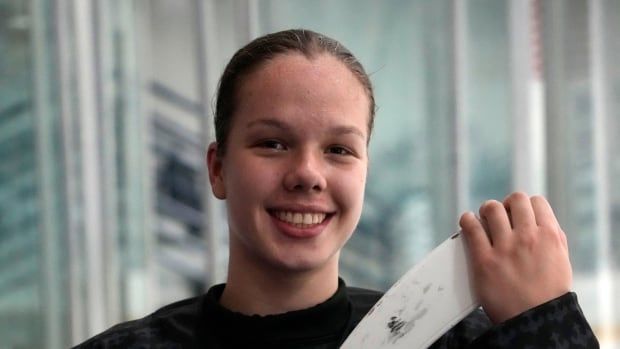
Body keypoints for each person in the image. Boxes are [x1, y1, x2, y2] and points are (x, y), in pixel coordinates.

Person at [74, 29, 599, 348]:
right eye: (273, 144)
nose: (308, 173)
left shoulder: (452, 343)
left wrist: (544, 323)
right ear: (217, 169)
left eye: (339, 150)